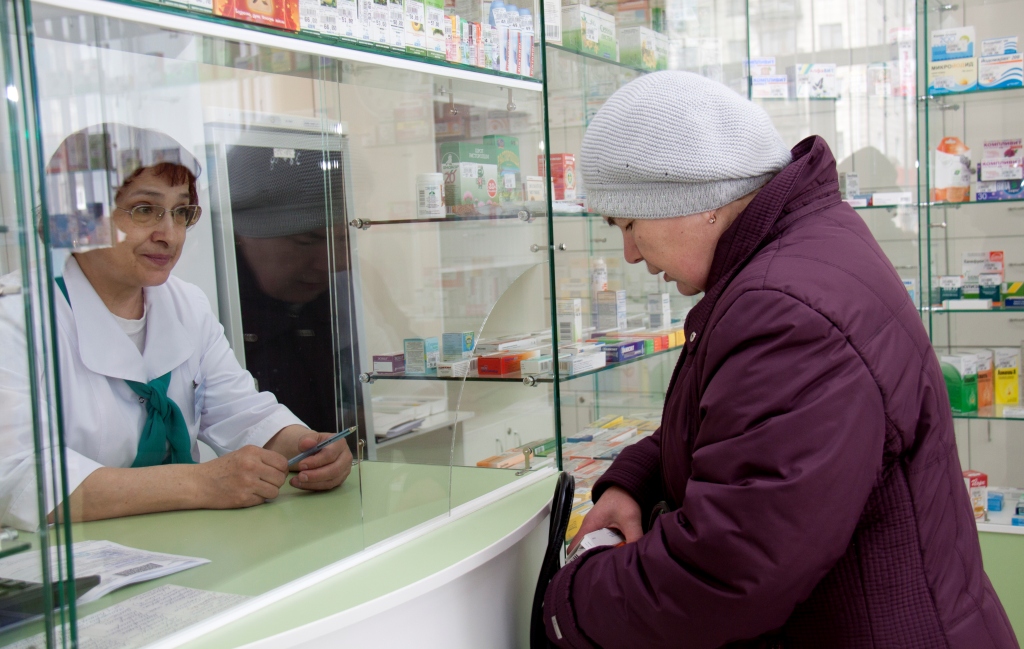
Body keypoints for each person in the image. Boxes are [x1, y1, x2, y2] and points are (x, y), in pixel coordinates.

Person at [543, 72, 1017, 648]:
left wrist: (568, 603)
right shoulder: (802, 249)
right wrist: (635, 480)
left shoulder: (785, 309)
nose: (629, 254)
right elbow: (746, 428)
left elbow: (729, 571)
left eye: (628, 224)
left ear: (692, 200)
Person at [0, 124, 352, 531]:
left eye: (181, 212)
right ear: (78, 218)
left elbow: (241, 412)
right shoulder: (17, 320)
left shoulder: (186, 305)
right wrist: (198, 484)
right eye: (143, 210)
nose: (169, 235)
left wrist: (308, 446)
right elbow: (20, 478)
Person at [226, 144, 360, 443]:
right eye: (306, 240)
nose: (333, 263)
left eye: (341, 240)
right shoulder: (210, 309)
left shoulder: (341, 295)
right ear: (240, 234)